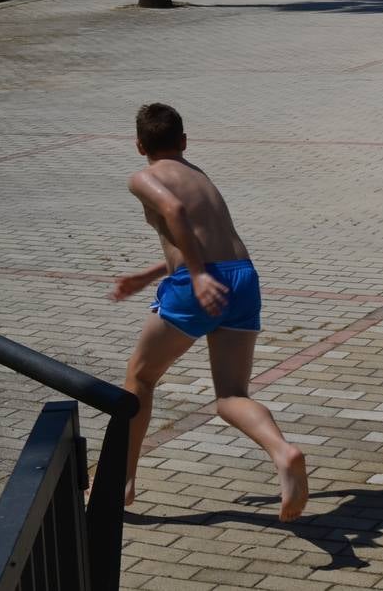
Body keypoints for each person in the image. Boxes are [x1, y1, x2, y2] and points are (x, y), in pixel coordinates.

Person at [110, 103, 308, 521]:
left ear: (139, 144)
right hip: (243, 276)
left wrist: (197, 277)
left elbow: (175, 214)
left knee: (140, 378)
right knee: (231, 395)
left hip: (201, 283)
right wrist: (150, 274)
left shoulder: (143, 178)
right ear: (183, 141)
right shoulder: (199, 174)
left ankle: (122, 481)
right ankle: (282, 451)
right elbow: (200, 237)